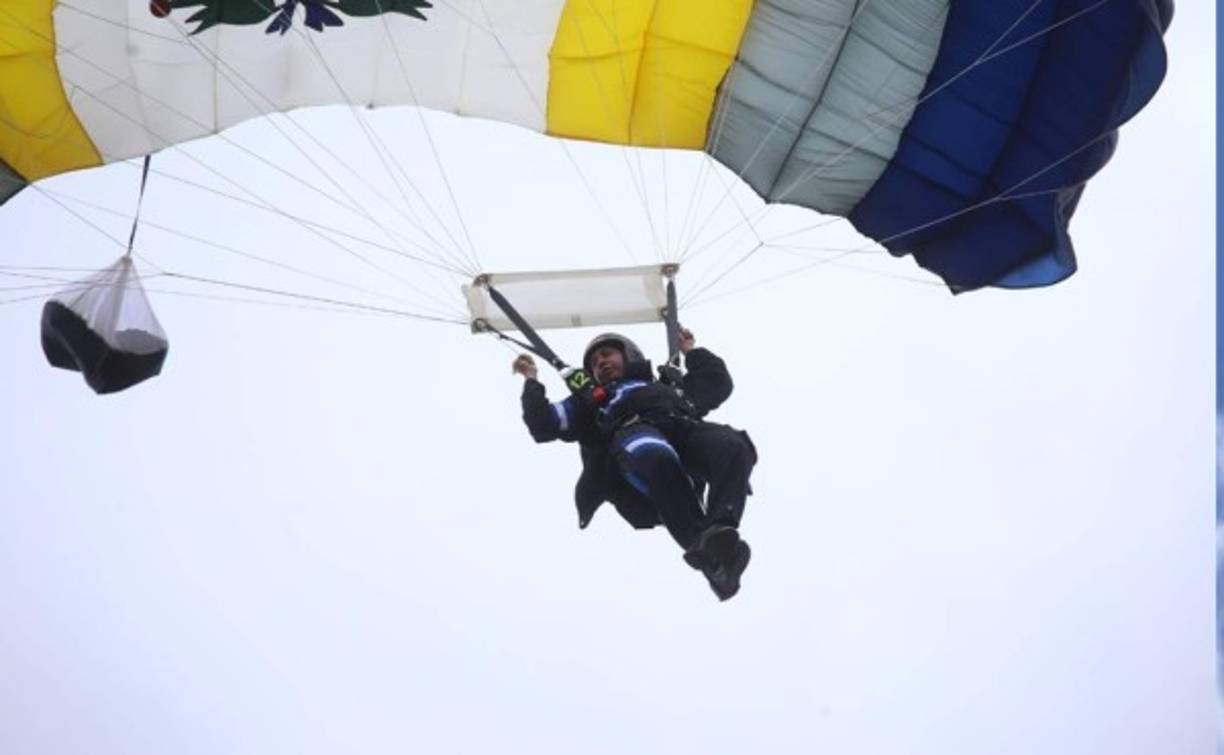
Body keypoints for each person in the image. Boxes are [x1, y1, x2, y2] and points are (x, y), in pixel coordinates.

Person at [512, 328, 757, 600]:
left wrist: (690, 350)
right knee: (655, 456)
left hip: (682, 428)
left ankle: (719, 536)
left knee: (733, 446)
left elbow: (717, 382)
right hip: (636, 434)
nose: (600, 363)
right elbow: (543, 423)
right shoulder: (591, 400)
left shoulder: (669, 386)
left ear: (628, 355)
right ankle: (707, 554)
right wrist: (531, 380)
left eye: (607, 355)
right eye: (594, 363)